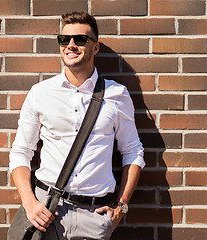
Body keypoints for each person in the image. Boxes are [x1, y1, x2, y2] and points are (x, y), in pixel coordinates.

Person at [9, 11, 145, 240]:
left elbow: (133, 152)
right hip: (45, 212)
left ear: (95, 47)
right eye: (64, 39)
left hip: (94, 216)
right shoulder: (41, 93)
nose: (70, 45)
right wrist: (29, 202)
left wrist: (121, 208)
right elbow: (20, 151)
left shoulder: (116, 95)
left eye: (80, 39)